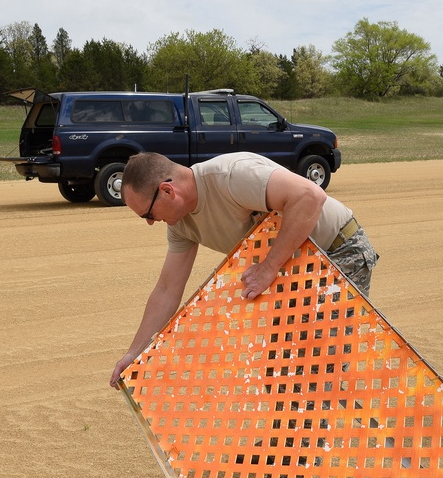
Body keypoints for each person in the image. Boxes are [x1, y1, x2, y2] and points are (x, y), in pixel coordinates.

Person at [110, 151, 378, 387]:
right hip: (296, 268)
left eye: (148, 214)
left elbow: (310, 196)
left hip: (339, 252)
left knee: (313, 366)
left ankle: (304, 443)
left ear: (167, 191)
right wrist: (135, 352)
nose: (150, 223)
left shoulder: (231, 175)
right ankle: (284, 442)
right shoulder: (180, 225)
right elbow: (167, 290)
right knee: (281, 369)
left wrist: (269, 267)